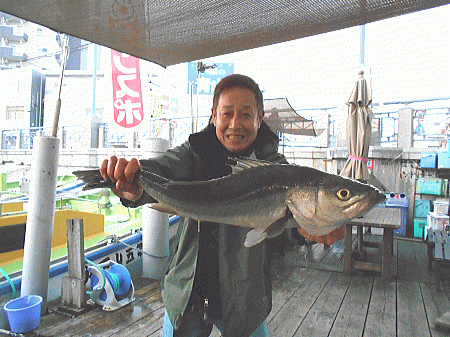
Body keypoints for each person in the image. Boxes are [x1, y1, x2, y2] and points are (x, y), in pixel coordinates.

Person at [100, 74, 288, 336]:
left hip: (246, 297)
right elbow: (163, 169)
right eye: (226, 114)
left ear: (260, 117)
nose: (235, 124)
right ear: (214, 115)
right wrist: (133, 183)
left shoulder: (276, 169)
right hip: (187, 291)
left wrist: (312, 231)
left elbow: (288, 229)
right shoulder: (195, 152)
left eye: (246, 115)